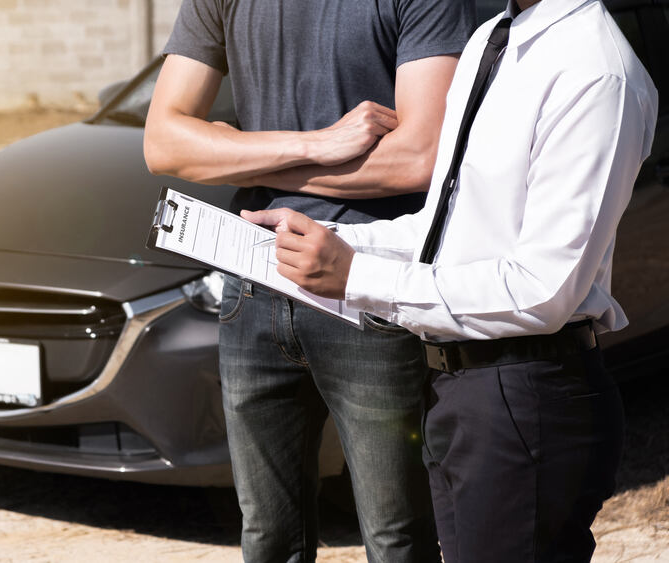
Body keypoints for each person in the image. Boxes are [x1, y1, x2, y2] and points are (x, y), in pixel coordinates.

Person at [243, 0, 659, 560]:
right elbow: (446, 229)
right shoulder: (494, 35)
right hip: (457, 389)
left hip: (526, 394)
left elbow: (542, 290)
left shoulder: (596, 70)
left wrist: (355, 274)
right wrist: (329, 240)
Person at [144, 1, 475, 561]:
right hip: (252, 279)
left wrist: (238, 155)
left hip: (368, 286)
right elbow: (164, 144)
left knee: (397, 536)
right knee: (268, 535)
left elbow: (421, 156)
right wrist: (316, 143)